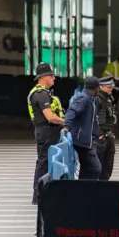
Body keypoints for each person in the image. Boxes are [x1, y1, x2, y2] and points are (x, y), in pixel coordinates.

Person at [28, 62, 65, 204]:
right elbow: (50, 117)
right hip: (46, 132)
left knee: (44, 162)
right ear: (45, 77)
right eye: (52, 76)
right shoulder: (41, 94)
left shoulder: (41, 93)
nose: (54, 79)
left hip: (44, 131)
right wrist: (64, 122)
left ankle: (41, 194)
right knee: (43, 163)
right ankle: (38, 196)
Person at [62, 76, 102, 180]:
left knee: (85, 168)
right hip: (82, 141)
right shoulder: (83, 98)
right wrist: (66, 126)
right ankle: (89, 190)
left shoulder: (91, 99)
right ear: (95, 88)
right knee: (96, 168)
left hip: (86, 140)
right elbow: (72, 111)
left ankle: (82, 190)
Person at [95, 76, 117, 181]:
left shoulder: (109, 98)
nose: (111, 88)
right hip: (101, 135)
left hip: (109, 134)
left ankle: (105, 184)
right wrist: (99, 134)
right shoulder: (97, 99)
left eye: (112, 85)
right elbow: (92, 119)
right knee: (100, 165)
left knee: (108, 164)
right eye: (108, 86)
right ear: (101, 86)